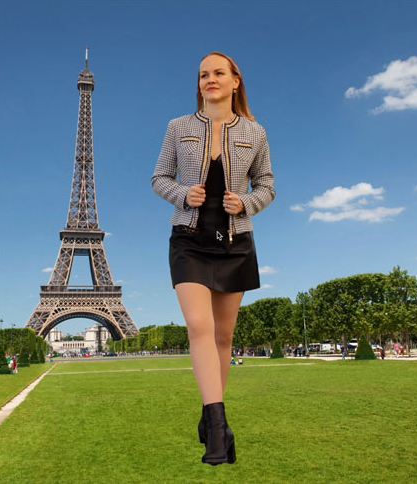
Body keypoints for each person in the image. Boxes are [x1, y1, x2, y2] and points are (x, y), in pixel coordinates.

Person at [151, 51, 275, 466]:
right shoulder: (178, 127)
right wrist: (182, 194)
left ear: (235, 80)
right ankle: (218, 426)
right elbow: (159, 177)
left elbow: (269, 185)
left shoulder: (255, 133)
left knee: (223, 337)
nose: (210, 79)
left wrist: (248, 203)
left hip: (234, 243)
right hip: (188, 239)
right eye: (203, 74)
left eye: (218, 73)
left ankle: (211, 420)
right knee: (199, 326)